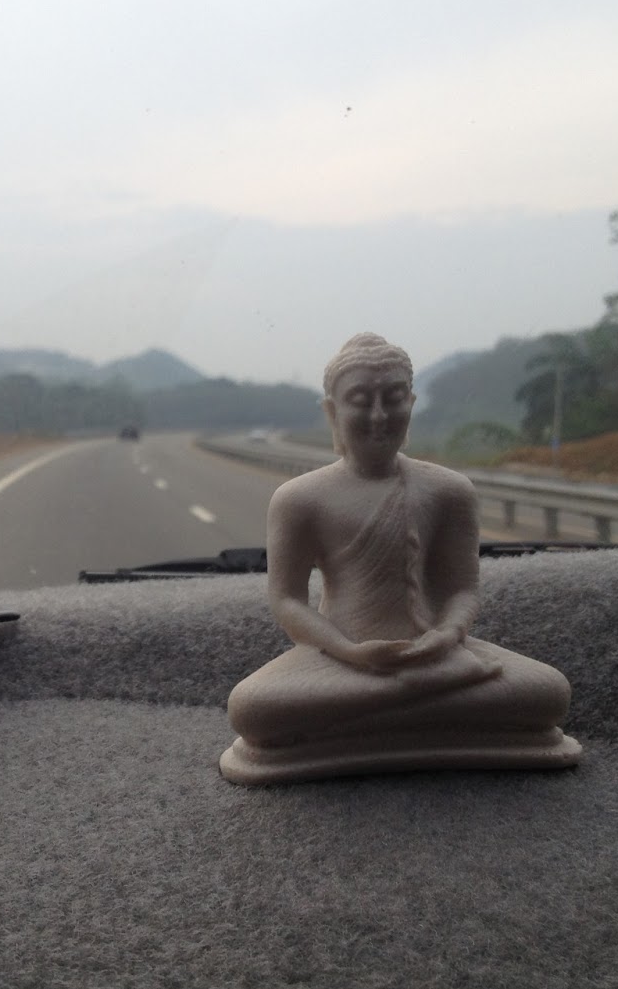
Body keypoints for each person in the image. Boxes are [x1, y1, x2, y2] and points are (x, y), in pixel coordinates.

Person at [219, 333, 581, 785]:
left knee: (548, 693)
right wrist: (351, 651)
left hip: (437, 655)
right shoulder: (300, 499)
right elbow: (288, 602)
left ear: (411, 403)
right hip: (341, 661)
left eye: (393, 399)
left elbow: (462, 590)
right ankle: (425, 710)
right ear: (332, 411)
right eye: (360, 400)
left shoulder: (449, 490)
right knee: (254, 708)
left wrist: (447, 636)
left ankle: (381, 714)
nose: (378, 416)